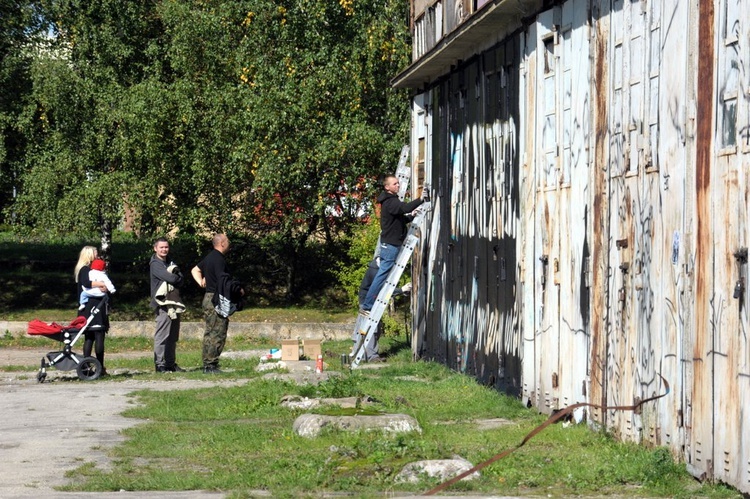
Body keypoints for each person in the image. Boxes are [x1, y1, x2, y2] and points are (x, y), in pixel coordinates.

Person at [360, 175, 426, 313]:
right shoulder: (390, 202)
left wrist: (412, 215)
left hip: (389, 244)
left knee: (382, 275)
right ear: (387, 187)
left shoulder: (390, 202)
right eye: (395, 184)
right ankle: (367, 305)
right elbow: (405, 207)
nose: (398, 185)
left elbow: (400, 220)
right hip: (390, 246)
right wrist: (421, 199)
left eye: (398, 183)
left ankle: (368, 304)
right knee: (382, 276)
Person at [191, 234, 244, 374]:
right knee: (218, 332)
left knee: (210, 331)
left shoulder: (209, 257)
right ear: (221, 243)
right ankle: (210, 365)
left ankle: (207, 364)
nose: (229, 243)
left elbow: (195, 270)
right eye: (228, 241)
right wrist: (238, 289)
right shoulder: (219, 259)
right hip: (216, 299)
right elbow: (223, 280)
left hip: (208, 297)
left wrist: (201, 281)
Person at [352, 256, 412, 362]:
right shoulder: (375, 271)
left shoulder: (378, 266)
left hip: (371, 301)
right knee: (372, 330)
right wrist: (401, 290)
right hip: (368, 303)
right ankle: (372, 357)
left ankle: (364, 353)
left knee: (377, 329)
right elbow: (383, 290)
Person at [149, 237, 185, 373]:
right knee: (162, 335)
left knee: (172, 336)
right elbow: (172, 277)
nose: (164, 250)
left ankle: (170, 363)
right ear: (155, 248)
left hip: (174, 301)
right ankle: (160, 364)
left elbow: (181, 279)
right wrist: (176, 276)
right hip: (162, 303)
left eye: (166, 247)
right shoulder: (155, 264)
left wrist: (177, 276)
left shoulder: (170, 261)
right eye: (161, 247)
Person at [74, 246, 110, 375]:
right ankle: (97, 367)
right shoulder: (86, 270)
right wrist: (101, 284)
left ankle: (87, 366)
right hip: (93, 307)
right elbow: (86, 283)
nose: (97, 254)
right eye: (95, 252)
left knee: (89, 338)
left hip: (90, 308)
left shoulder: (87, 269)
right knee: (97, 336)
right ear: (89, 255)